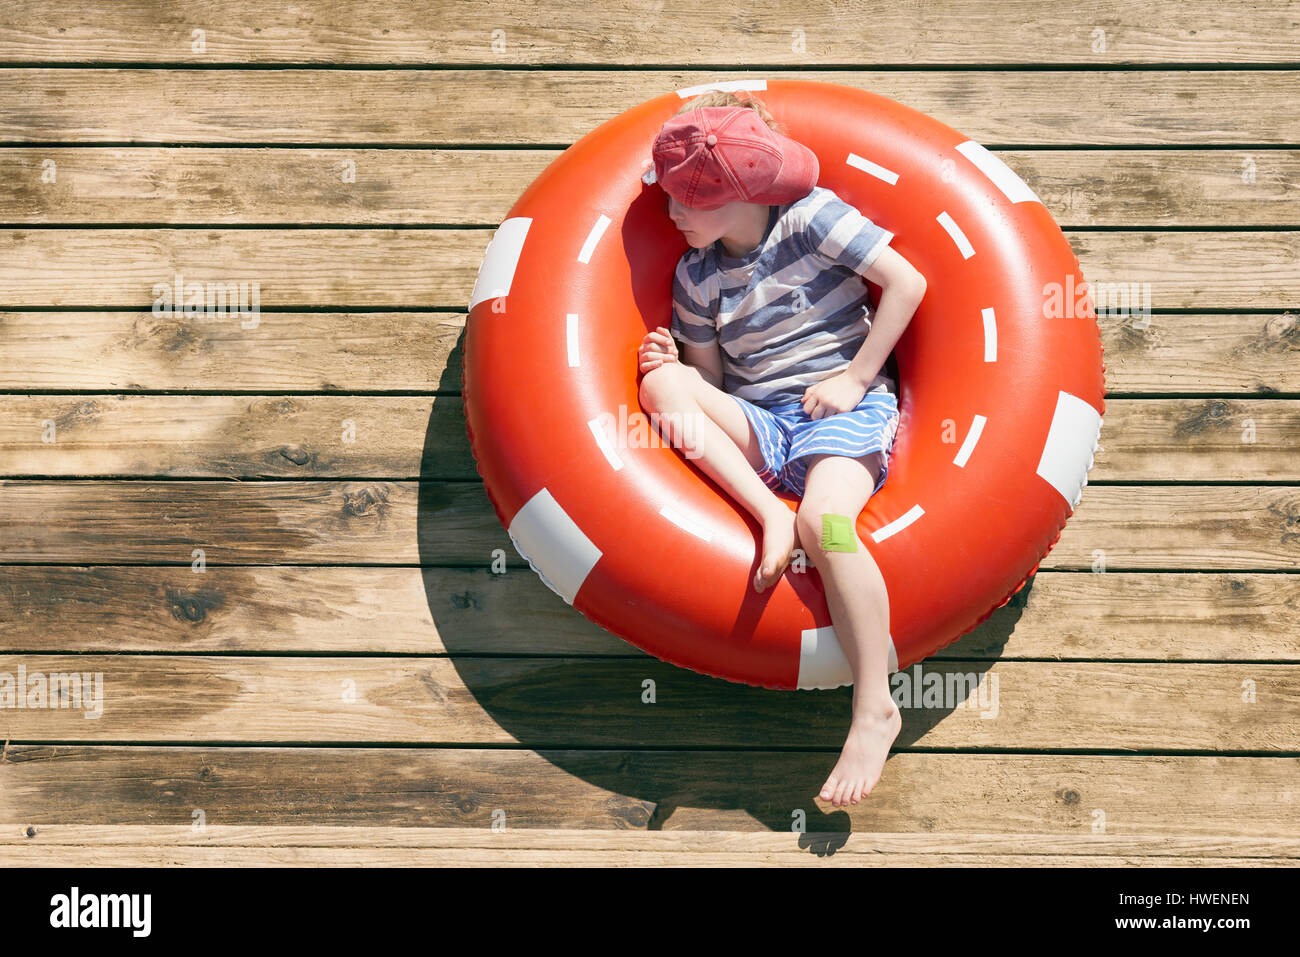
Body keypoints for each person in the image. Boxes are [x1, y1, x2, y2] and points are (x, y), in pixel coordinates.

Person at [636, 90, 927, 808]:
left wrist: (857, 377)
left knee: (826, 523)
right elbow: (711, 383)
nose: (671, 213)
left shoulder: (810, 219)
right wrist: (669, 358)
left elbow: (907, 282)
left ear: (739, 194)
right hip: (767, 423)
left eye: (686, 201)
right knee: (662, 387)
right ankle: (766, 510)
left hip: (840, 416)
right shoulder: (695, 275)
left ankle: (873, 705)